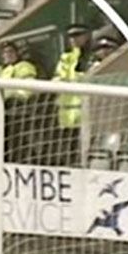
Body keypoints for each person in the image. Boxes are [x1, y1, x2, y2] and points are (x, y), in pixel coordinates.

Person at [51, 23, 91, 158]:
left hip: (86, 109)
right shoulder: (65, 57)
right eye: (70, 36)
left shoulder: (90, 56)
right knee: (66, 150)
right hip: (65, 112)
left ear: (86, 36)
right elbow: (57, 78)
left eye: (77, 35)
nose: (73, 39)